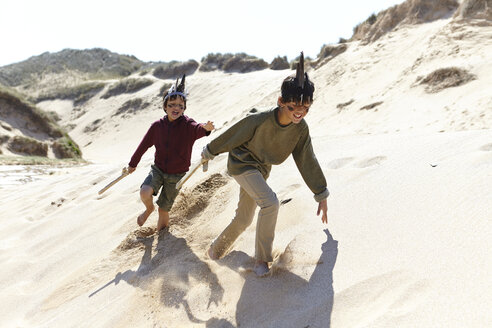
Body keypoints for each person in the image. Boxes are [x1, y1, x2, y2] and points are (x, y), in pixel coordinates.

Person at [201, 52, 328, 276]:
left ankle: (214, 250)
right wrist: (210, 151)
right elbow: (234, 134)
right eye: (292, 108)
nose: (299, 113)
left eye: (305, 109)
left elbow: (307, 159)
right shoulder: (259, 119)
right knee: (270, 203)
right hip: (242, 164)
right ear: (280, 102)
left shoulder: (300, 129)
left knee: (244, 218)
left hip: (261, 171)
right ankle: (262, 261)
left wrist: (321, 192)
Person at [127, 75, 214, 231]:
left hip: (177, 175)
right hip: (158, 170)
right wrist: (133, 164)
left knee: (164, 209)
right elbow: (143, 145)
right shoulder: (157, 126)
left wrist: (205, 129)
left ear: (184, 108)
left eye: (181, 105)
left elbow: (197, 128)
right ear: (165, 106)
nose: (176, 108)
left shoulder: (188, 125)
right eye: (172, 104)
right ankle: (148, 209)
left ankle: (161, 236)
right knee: (144, 192)